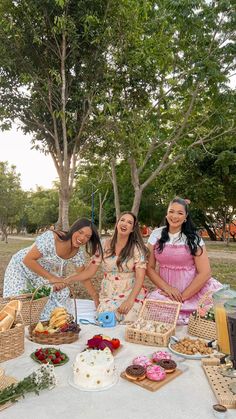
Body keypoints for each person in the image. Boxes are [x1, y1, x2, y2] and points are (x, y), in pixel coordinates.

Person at [3, 218, 103, 320]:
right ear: (73, 229)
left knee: (55, 303)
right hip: (21, 267)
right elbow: (28, 260)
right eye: (80, 232)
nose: (82, 238)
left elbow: (83, 276)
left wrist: (95, 296)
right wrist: (52, 278)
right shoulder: (52, 238)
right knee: (18, 308)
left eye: (87, 236)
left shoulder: (77, 253)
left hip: (40, 273)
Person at [146, 197, 222, 324]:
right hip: (166, 292)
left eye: (180, 213)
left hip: (193, 291)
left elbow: (205, 272)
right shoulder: (156, 234)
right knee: (158, 314)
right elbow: (149, 268)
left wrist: (183, 297)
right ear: (166, 213)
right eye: (171, 211)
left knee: (206, 315)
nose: (174, 216)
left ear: (186, 217)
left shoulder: (193, 238)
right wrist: (168, 289)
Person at [67, 211, 149, 323]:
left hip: (131, 292)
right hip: (109, 292)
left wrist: (130, 300)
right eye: (122, 220)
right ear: (117, 223)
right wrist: (67, 280)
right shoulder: (103, 245)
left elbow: (140, 277)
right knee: (106, 318)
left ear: (133, 229)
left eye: (129, 222)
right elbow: (89, 272)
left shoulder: (137, 248)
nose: (124, 224)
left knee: (130, 318)